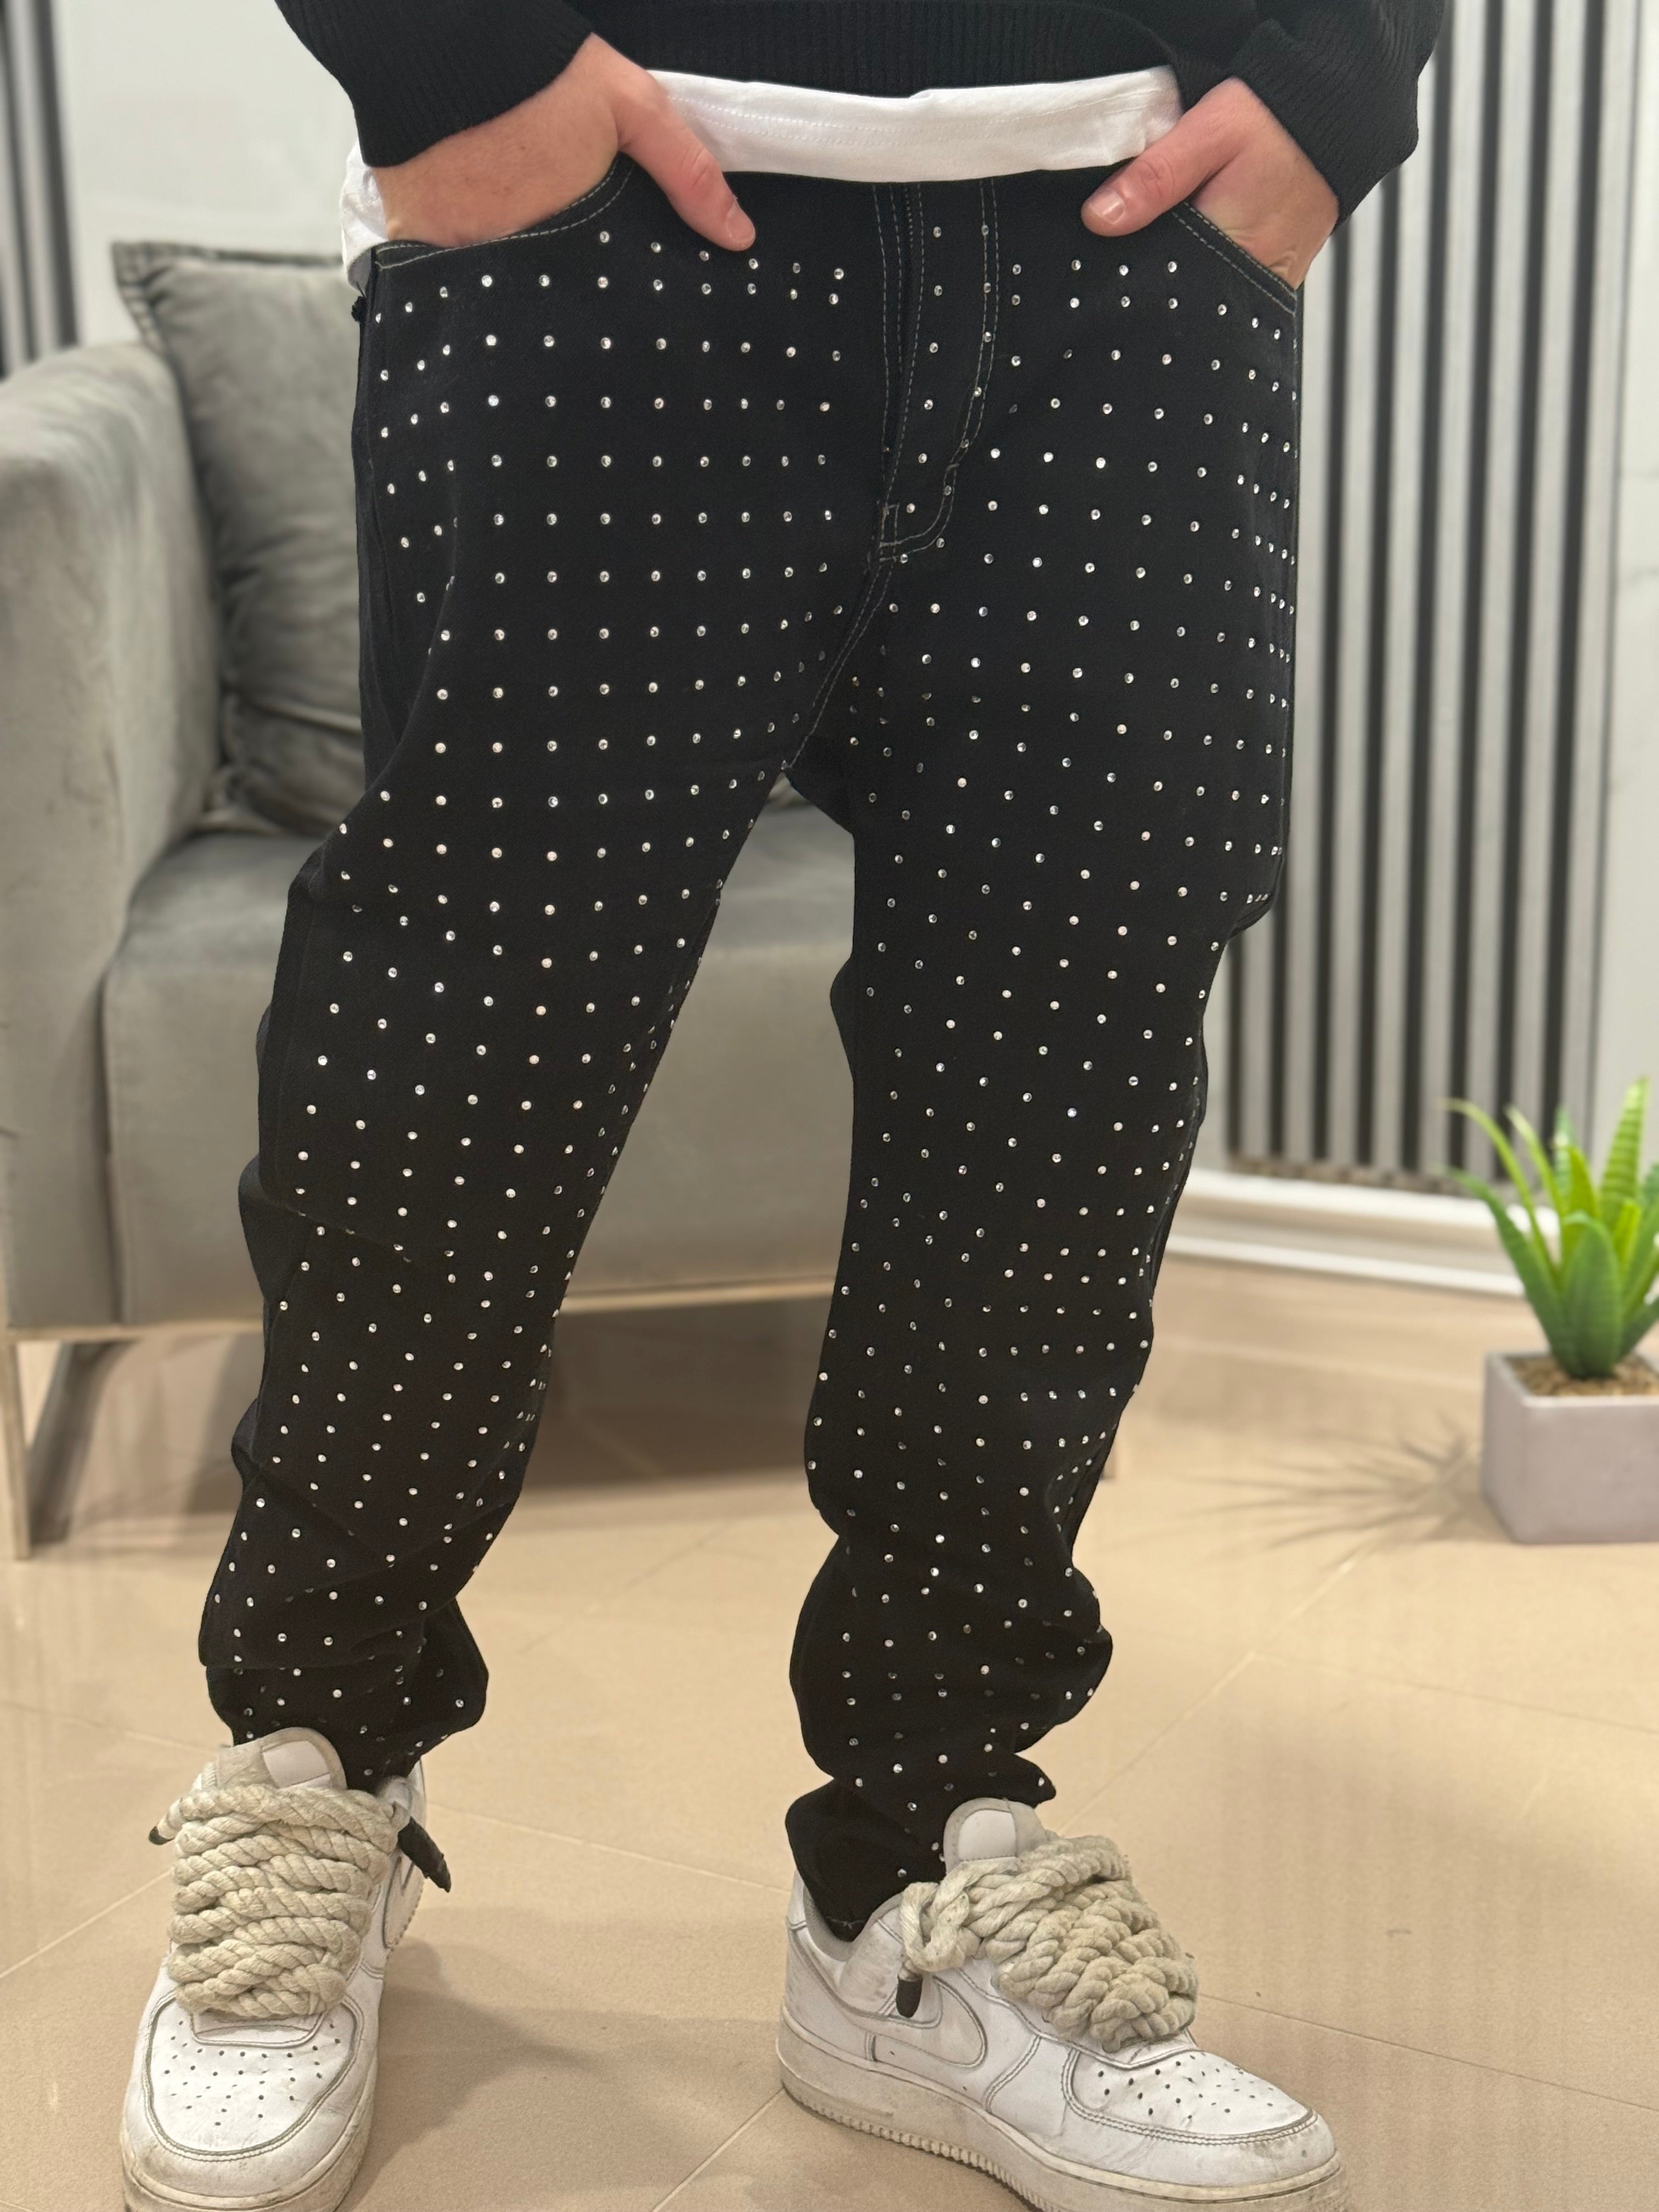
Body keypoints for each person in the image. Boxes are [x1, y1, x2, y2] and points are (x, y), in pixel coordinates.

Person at [119, 4, 1439, 2208]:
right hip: (611, 237)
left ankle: (924, 1849)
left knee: (1063, 1089)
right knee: (460, 1062)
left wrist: (1344, 71)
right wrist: (445, 56)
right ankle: (312, 1756)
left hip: (1135, 262)